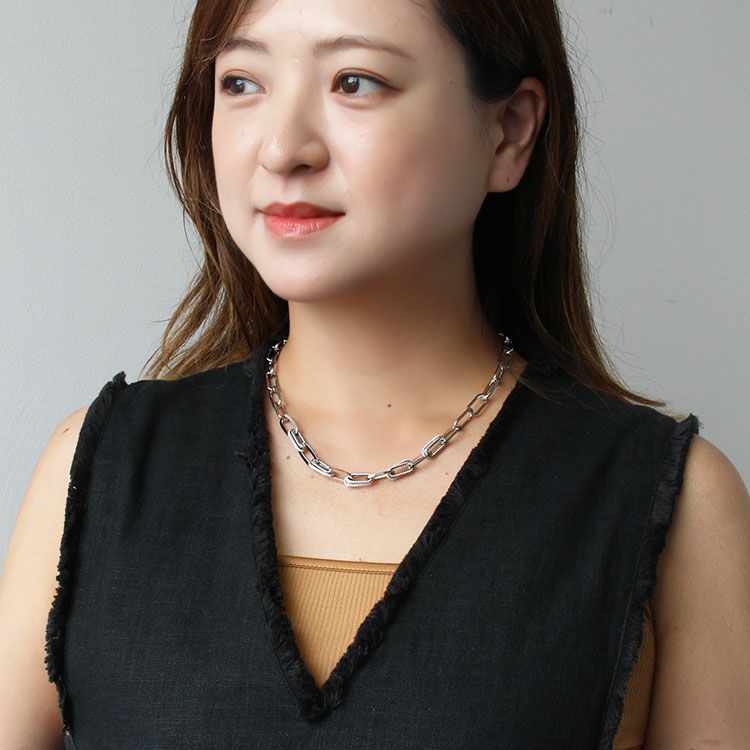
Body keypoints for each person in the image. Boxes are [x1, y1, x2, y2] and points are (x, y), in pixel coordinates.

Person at [1, 0, 748, 747]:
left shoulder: (673, 504)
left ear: (509, 131)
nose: (282, 148)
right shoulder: (95, 470)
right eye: (241, 82)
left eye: (355, 81)